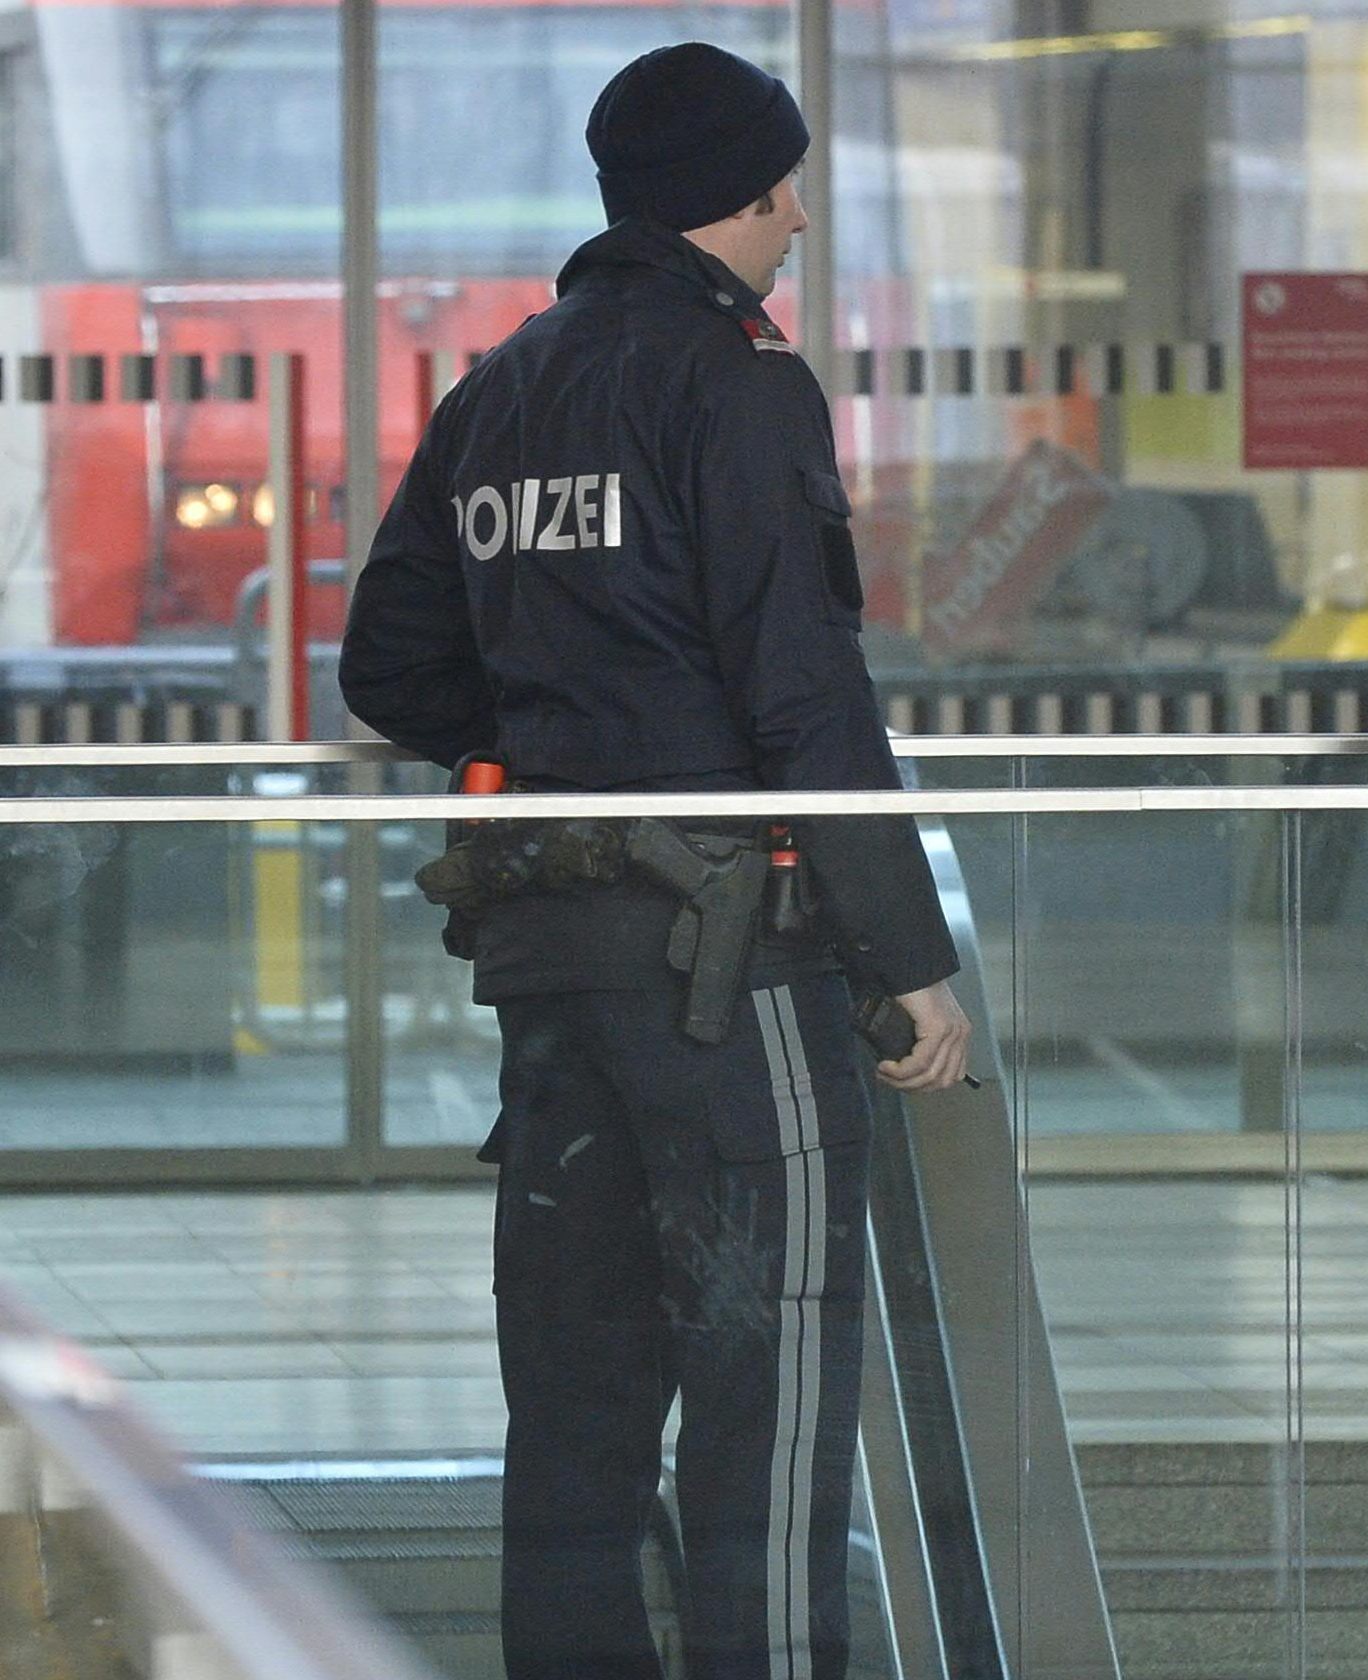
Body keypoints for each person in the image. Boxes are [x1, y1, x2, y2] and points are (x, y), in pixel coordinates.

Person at [340, 42, 971, 1680]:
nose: (801, 224)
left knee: (575, 1408)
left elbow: (389, 669)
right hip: (728, 968)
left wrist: (575, 719)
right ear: (736, 199)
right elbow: (802, 686)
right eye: (786, 192)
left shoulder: (502, 389)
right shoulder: (733, 383)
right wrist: (906, 955)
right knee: (772, 1401)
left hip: (551, 958)